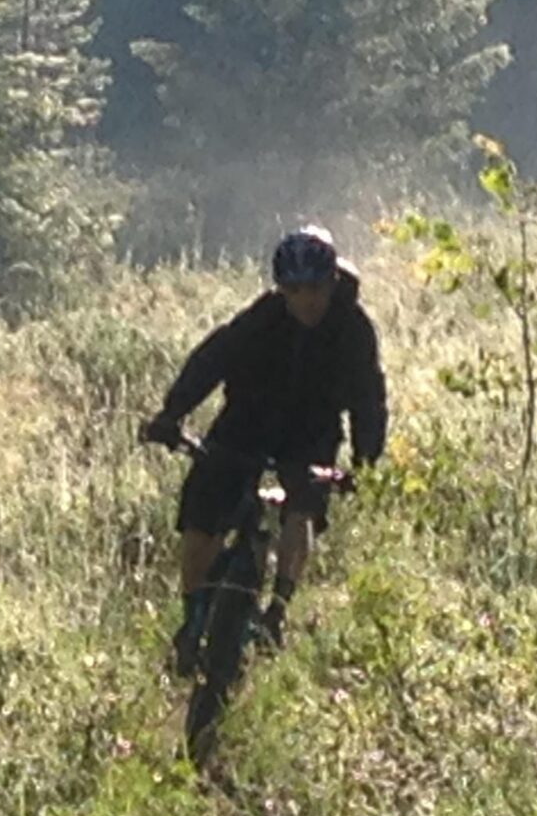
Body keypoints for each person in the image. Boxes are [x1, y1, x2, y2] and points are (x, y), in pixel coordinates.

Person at [137, 224, 388, 668]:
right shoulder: (263, 318)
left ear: (332, 283)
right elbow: (210, 361)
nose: (305, 299)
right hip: (247, 422)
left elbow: (369, 398)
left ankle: (277, 611)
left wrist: (365, 462)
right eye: (293, 289)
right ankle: (193, 615)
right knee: (201, 506)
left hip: (311, 430)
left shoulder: (353, 329)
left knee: (302, 506)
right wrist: (171, 415)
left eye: (315, 288)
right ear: (281, 289)